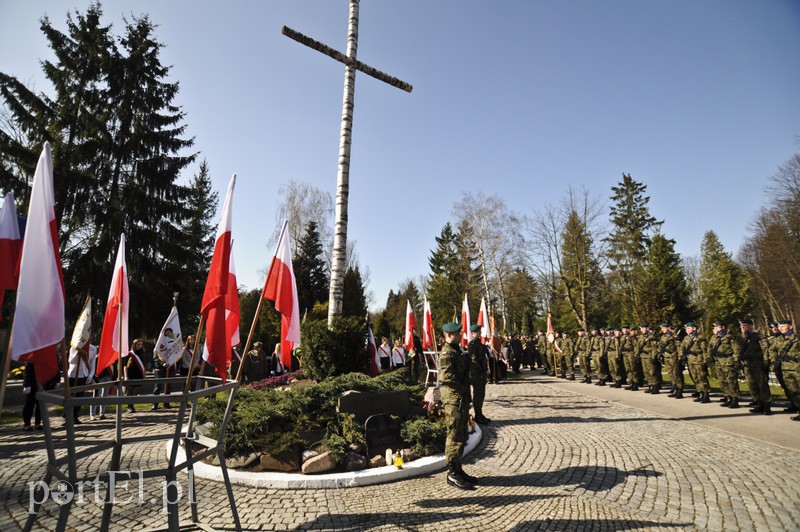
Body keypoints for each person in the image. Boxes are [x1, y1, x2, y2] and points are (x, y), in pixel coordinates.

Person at [438, 322, 476, 489]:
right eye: (458, 334)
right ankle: (452, 473)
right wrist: (462, 389)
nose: (461, 335)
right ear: (448, 335)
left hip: (460, 398)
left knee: (460, 434)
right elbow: (446, 377)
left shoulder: (457, 351)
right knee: (454, 435)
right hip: (453, 399)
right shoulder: (447, 353)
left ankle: (458, 469)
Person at [738, 319, 772, 415]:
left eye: (745, 325)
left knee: (762, 385)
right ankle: (758, 403)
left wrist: (766, 363)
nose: (742, 327)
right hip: (748, 365)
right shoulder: (742, 338)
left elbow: (765, 350)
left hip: (758, 365)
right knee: (752, 385)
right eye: (741, 326)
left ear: (751, 326)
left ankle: (767, 405)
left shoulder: (758, 337)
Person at [771, 320, 800, 420]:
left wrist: (793, 356)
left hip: (797, 368)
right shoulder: (778, 339)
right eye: (780, 326)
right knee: (792, 390)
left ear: (790, 327)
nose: (781, 328)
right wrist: (774, 359)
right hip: (784, 369)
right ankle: (796, 407)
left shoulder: (796, 338)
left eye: (783, 326)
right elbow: (772, 349)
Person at [709, 321, 741, 408]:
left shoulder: (729, 337)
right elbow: (710, 348)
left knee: (731, 380)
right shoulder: (713, 338)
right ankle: (728, 396)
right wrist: (710, 357)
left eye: (717, 327)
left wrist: (736, 360)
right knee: (722, 380)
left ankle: (735, 398)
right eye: (714, 328)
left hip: (728, 360)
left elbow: (736, 349)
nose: (715, 329)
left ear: (722, 327)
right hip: (718, 361)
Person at [67, 342, 97, 423]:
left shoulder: (93, 348)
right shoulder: (74, 346)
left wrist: (90, 375)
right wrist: (77, 352)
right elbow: (71, 360)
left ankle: (75, 415)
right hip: (73, 375)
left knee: (80, 397)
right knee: (71, 396)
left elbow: (92, 363)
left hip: (84, 374)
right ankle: (68, 416)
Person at [467, 324, 490, 425]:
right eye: (477, 332)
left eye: (480, 331)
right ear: (473, 333)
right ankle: (478, 415)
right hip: (476, 373)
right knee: (478, 394)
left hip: (480, 373)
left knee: (481, 394)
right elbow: (473, 359)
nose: (480, 333)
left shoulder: (480, 344)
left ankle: (479, 414)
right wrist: (480, 370)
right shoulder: (472, 344)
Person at [682, 323, 711, 403]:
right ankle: (700, 392)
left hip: (699, 360)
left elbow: (705, 350)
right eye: (686, 329)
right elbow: (682, 347)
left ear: (694, 328)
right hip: (690, 360)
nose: (687, 330)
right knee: (695, 377)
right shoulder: (686, 338)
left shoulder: (700, 338)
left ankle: (706, 394)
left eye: (688, 328)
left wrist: (705, 361)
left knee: (702, 377)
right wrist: (682, 356)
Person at [124, 339, 146, 414]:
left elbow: (143, 365)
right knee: (129, 391)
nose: (139, 346)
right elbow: (125, 366)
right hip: (130, 374)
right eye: (138, 344)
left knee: (135, 392)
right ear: (134, 345)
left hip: (138, 375)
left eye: (141, 344)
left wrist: (144, 374)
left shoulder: (142, 353)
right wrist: (126, 376)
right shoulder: (129, 353)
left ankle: (132, 405)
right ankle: (129, 406)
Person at [660, 324, 682, 398]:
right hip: (666, 356)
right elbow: (660, 346)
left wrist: (680, 357)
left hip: (673, 356)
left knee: (675, 373)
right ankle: (674, 387)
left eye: (664, 328)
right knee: (670, 373)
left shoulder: (674, 336)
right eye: (662, 328)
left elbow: (678, 346)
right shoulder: (663, 336)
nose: (662, 329)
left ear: (668, 328)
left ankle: (679, 389)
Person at [638, 325, 661, 393]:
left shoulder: (651, 337)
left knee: (652, 372)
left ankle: (655, 386)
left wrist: (654, 357)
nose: (642, 330)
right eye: (641, 328)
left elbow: (654, 347)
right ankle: (650, 385)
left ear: (647, 329)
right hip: (643, 356)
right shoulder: (641, 337)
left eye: (643, 328)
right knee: (646, 372)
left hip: (649, 356)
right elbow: (638, 346)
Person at [21, 362, 42, 431]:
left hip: (41, 383)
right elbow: (27, 373)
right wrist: (26, 385)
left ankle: (38, 423)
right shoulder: (30, 361)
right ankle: (27, 424)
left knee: (40, 405)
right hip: (32, 384)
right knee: (30, 404)